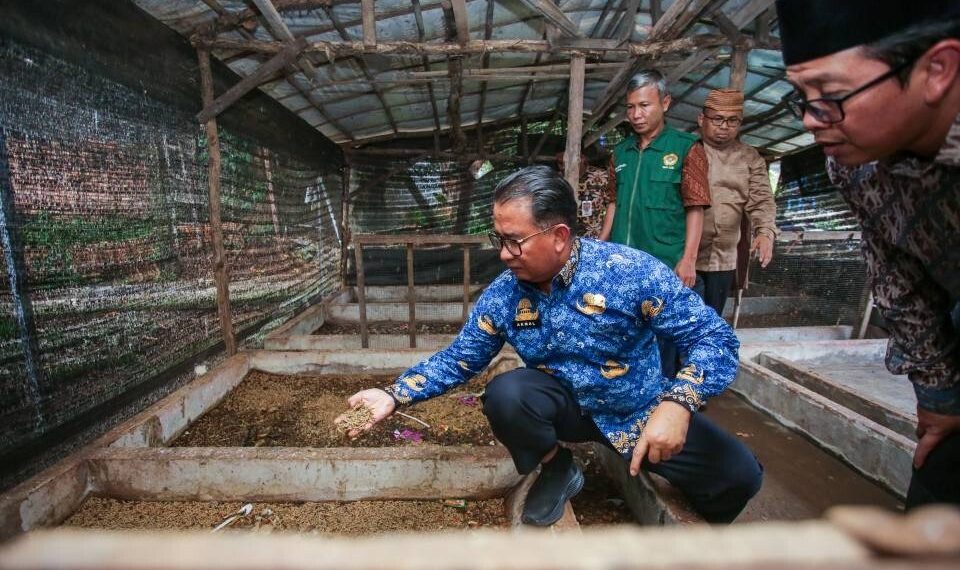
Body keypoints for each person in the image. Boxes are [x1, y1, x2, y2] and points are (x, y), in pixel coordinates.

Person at [337, 166, 762, 526]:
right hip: (566, 410)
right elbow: (459, 359)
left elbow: (714, 338)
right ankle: (556, 466)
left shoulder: (630, 272)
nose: (504, 254)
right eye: (498, 238)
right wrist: (394, 393)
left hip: (638, 410)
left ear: (559, 235)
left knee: (739, 478)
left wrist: (679, 403)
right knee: (508, 393)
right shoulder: (504, 296)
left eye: (513, 240)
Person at [776, 0, 960, 508]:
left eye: (832, 96)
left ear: (937, 70)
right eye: (802, 98)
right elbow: (896, 276)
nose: (812, 121)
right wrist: (940, 395)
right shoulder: (854, 163)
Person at [606, 69, 712, 378]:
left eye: (644, 105)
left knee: (663, 345)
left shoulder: (686, 148)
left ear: (665, 103)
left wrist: (688, 259)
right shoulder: (621, 152)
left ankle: (661, 411)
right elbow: (614, 202)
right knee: (624, 338)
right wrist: (601, 246)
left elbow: (696, 207)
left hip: (663, 263)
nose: (636, 114)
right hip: (623, 265)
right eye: (631, 107)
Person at [695, 89, 778, 316]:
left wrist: (765, 231)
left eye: (732, 121)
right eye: (718, 119)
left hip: (724, 258)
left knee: (711, 322)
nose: (724, 126)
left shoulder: (749, 157)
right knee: (680, 322)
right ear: (702, 119)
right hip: (685, 255)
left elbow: (762, 198)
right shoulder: (689, 150)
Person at [555, 152, 615, 240]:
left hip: (594, 241)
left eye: (567, 163)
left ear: (582, 159)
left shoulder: (602, 177)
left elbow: (612, 206)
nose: (563, 167)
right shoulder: (557, 181)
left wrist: (602, 239)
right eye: (560, 163)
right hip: (566, 242)